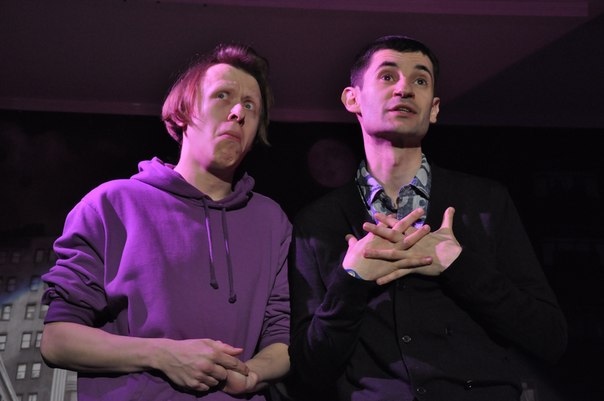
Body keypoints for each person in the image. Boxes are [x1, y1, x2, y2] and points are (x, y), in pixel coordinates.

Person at [287, 35, 567, 401]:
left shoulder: (484, 202)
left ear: (433, 108)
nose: (404, 89)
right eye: (388, 76)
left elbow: (550, 336)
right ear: (352, 99)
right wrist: (351, 281)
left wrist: (460, 265)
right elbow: (309, 369)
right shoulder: (317, 223)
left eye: (420, 80)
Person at [40, 43, 291, 401]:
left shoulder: (271, 220)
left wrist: (252, 376)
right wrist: (163, 354)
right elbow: (58, 340)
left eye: (251, 105)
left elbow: (279, 339)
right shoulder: (112, 204)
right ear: (185, 111)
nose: (238, 112)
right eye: (223, 96)